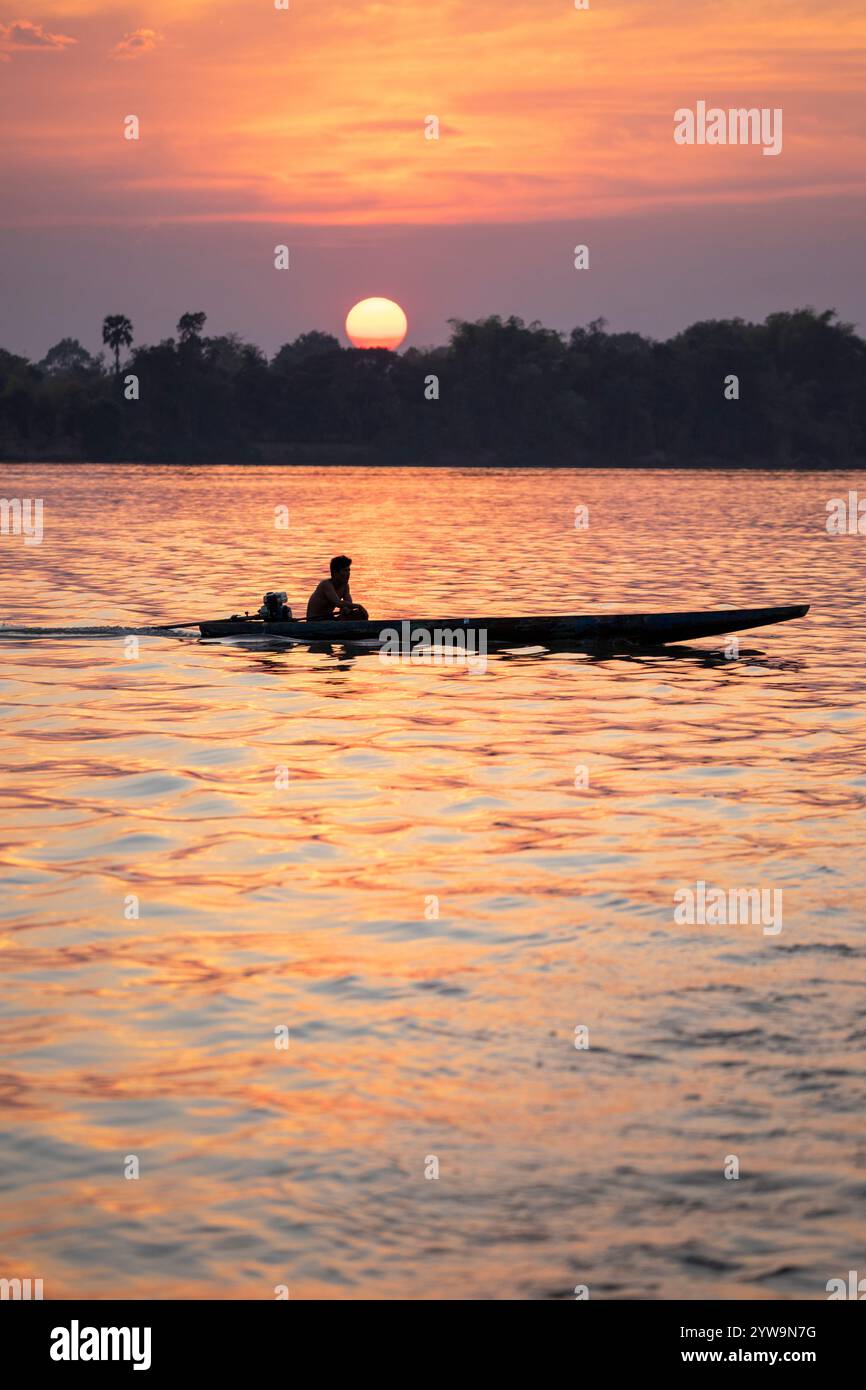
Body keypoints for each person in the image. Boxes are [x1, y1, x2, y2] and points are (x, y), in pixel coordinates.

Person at [306, 555, 369, 621]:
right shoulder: (326, 584)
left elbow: (348, 604)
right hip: (315, 621)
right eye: (345, 570)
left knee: (360, 614)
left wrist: (346, 609)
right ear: (335, 572)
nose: (348, 574)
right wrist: (359, 606)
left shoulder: (345, 586)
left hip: (329, 619)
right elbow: (338, 603)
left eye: (348, 570)